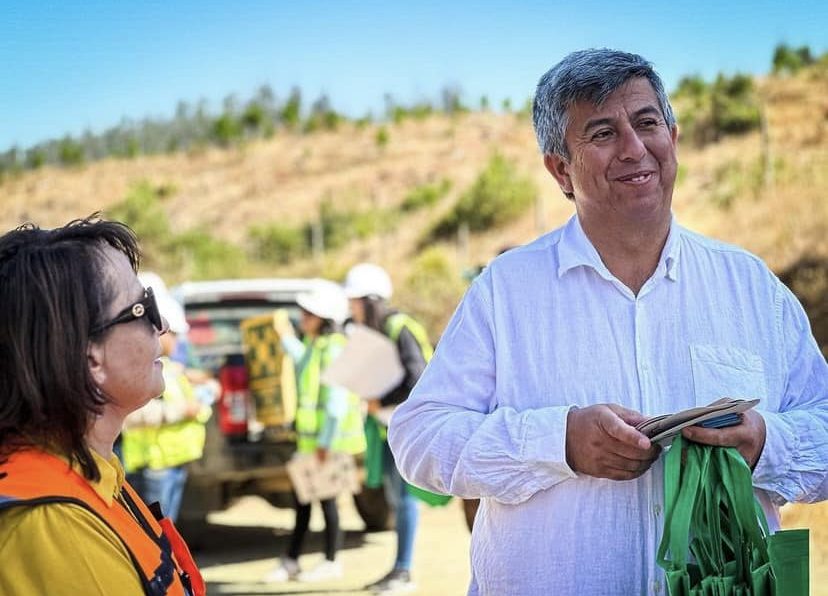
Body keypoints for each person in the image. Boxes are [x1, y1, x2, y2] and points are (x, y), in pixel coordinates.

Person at [388, 48, 828, 595]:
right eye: (602, 133)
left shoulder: (752, 287)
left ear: (675, 137)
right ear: (560, 170)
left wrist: (767, 443)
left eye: (647, 123)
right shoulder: (506, 291)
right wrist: (559, 442)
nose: (634, 148)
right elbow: (418, 438)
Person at [0, 216, 204, 595]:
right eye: (143, 310)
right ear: (89, 357)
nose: (160, 328)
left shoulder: (93, 474)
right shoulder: (51, 525)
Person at [264, 280, 367, 583]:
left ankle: (330, 561)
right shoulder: (317, 346)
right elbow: (302, 364)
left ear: (324, 318)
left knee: (327, 502)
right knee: (305, 502)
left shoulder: (333, 348)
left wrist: (324, 442)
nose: (302, 319)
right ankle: (293, 561)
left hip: (326, 443)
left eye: (308, 315)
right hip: (312, 444)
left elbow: (335, 401)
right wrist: (285, 339)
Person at [344, 263, 434, 594]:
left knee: (407, 498)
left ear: (370, 300)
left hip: (408, 427)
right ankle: (399, 567)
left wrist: (379, 398)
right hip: (387, 428)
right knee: (397, 498)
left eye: (354, 301)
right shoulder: (376, 331)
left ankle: (404, 571)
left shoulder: (399, 327)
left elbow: (417, 378)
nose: (350, 308)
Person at [120, 274, 212, 523]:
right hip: (153, 463)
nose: (177, 341)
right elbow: (134, 416)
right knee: (155, 533)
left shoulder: (169, 369)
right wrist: (183, 410)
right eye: (174, 334)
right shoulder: (139, 370)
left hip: (171, 460)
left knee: (166, 533)